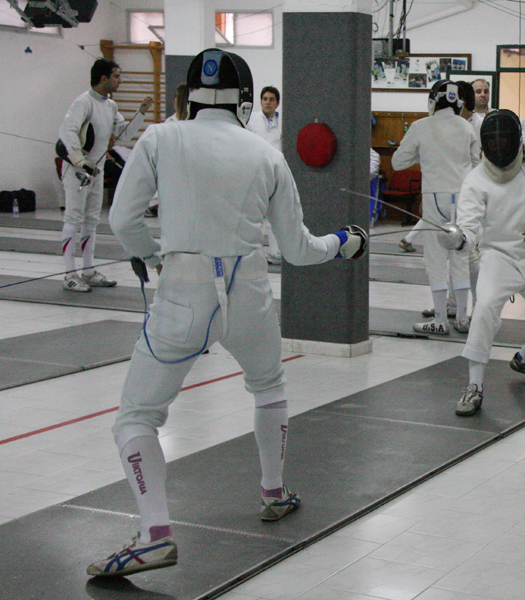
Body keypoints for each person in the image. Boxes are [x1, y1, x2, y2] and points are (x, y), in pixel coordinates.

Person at [87, 48, 367, 577]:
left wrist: (151, 254)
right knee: (269, 387)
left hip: (183, 294)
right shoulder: (266, 155)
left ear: (190, 94)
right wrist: (344, 242)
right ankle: (274, 492)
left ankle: (154, 533)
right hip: (250, 292)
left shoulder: (160, 138)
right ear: (243, 100)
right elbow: (299, 249)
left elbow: (123, 219)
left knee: (136, 418)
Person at [448, 109, 525, 416]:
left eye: (505, 139)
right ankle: (474, 386)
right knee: (485, 308)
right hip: (497, 258)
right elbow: (469, 228)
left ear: (516, 141)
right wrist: (459, 239)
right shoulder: (474, 180)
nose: (500, 145)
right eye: (494, 141)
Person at [392, 80, 480, 334]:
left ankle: (441, 319)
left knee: (436, 258)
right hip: (462, 199)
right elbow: (476, 165)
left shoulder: (421, 126)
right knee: (460, 255)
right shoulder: (466, 127)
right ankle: (463, 318)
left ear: (433, 100)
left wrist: (427, 154)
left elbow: (398, 162)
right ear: (458, 102)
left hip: (435, 200)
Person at [58, 58, 153, 292]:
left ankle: (88, 271)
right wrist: (80, 161)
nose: (119, 80)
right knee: (73, 219)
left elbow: (125, 134)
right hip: (76, 170)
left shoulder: (110, 105)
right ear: (104, 78)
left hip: (95, 171)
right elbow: (67, 132)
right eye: (117, 76)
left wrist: (140, 113)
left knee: (91, 220)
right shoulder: (83, 102)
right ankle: (69, 275)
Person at [246, 86, 283, 264]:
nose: (267, 102)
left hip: (275, 172)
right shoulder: (251, 120)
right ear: (260, 101)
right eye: (265, 99)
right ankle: (251, 252)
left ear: (277, 103)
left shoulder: (282, 121)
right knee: (252, 214)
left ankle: (276, 252)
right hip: (254, 172)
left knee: (273, 214)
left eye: (271, 99)